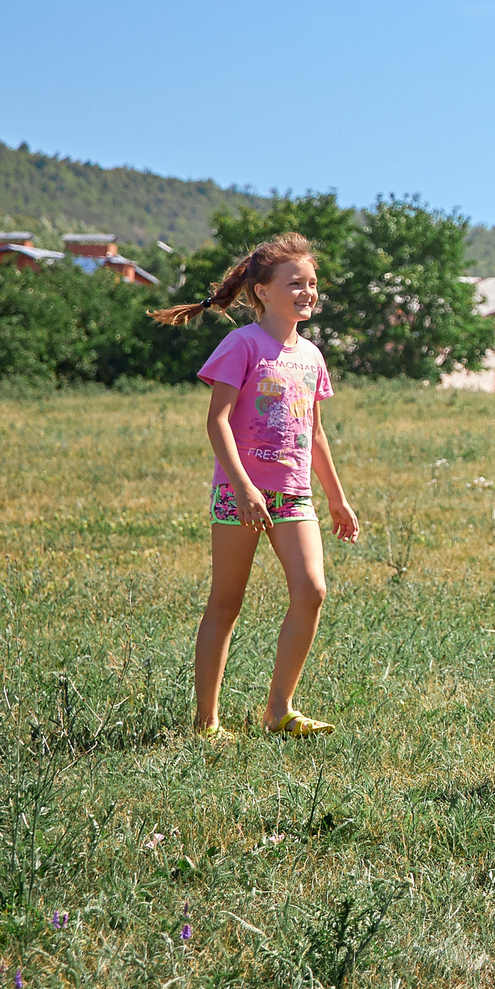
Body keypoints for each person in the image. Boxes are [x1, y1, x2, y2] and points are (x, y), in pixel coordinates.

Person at [150, 233, 361, 740]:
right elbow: (217, 421)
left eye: (312, 284)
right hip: (239, 494)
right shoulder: (241, 345)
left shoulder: (311, 355)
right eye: (295, 284)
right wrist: (243, 487)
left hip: (294, 493)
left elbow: (314, 432)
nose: (307, 292)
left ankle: (279, 710)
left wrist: (337, 497)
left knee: (312, 590)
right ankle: (206, 723)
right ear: (262, 291)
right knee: (226, 602)